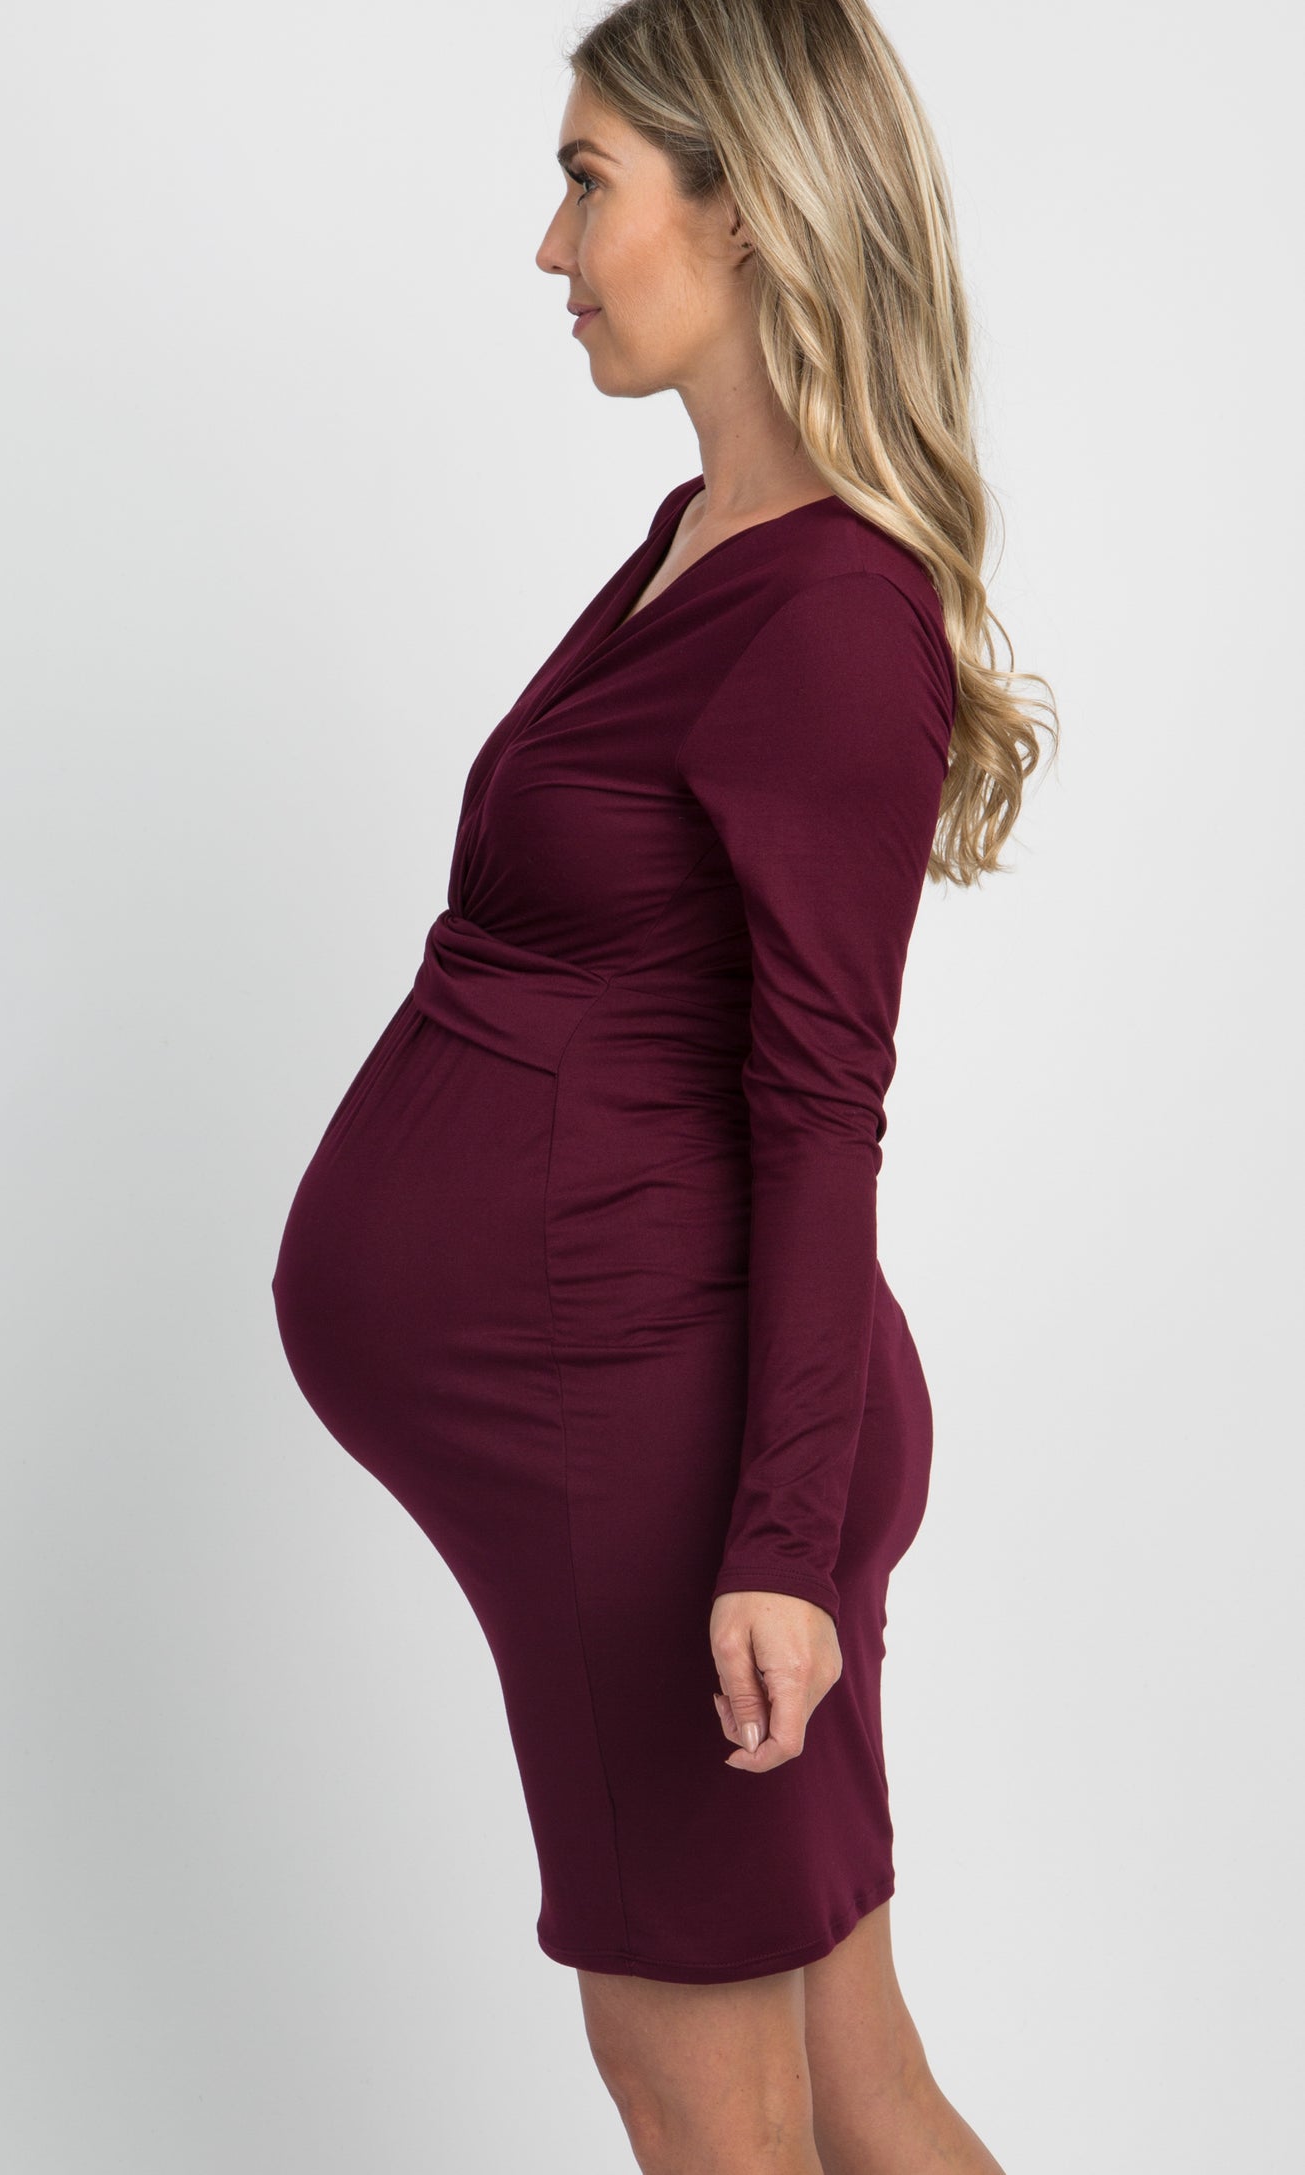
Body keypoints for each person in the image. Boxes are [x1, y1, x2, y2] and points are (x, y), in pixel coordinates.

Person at [271, 0, 1056, 2166]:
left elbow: (818, 1106)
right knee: (857, 2087)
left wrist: (772, 1546)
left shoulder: (829, 613)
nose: (550, 246)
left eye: (586, 181)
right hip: (640, 1428)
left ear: (747, 206)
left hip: (671, 1465)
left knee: (704, 2103)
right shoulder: (702, 535)